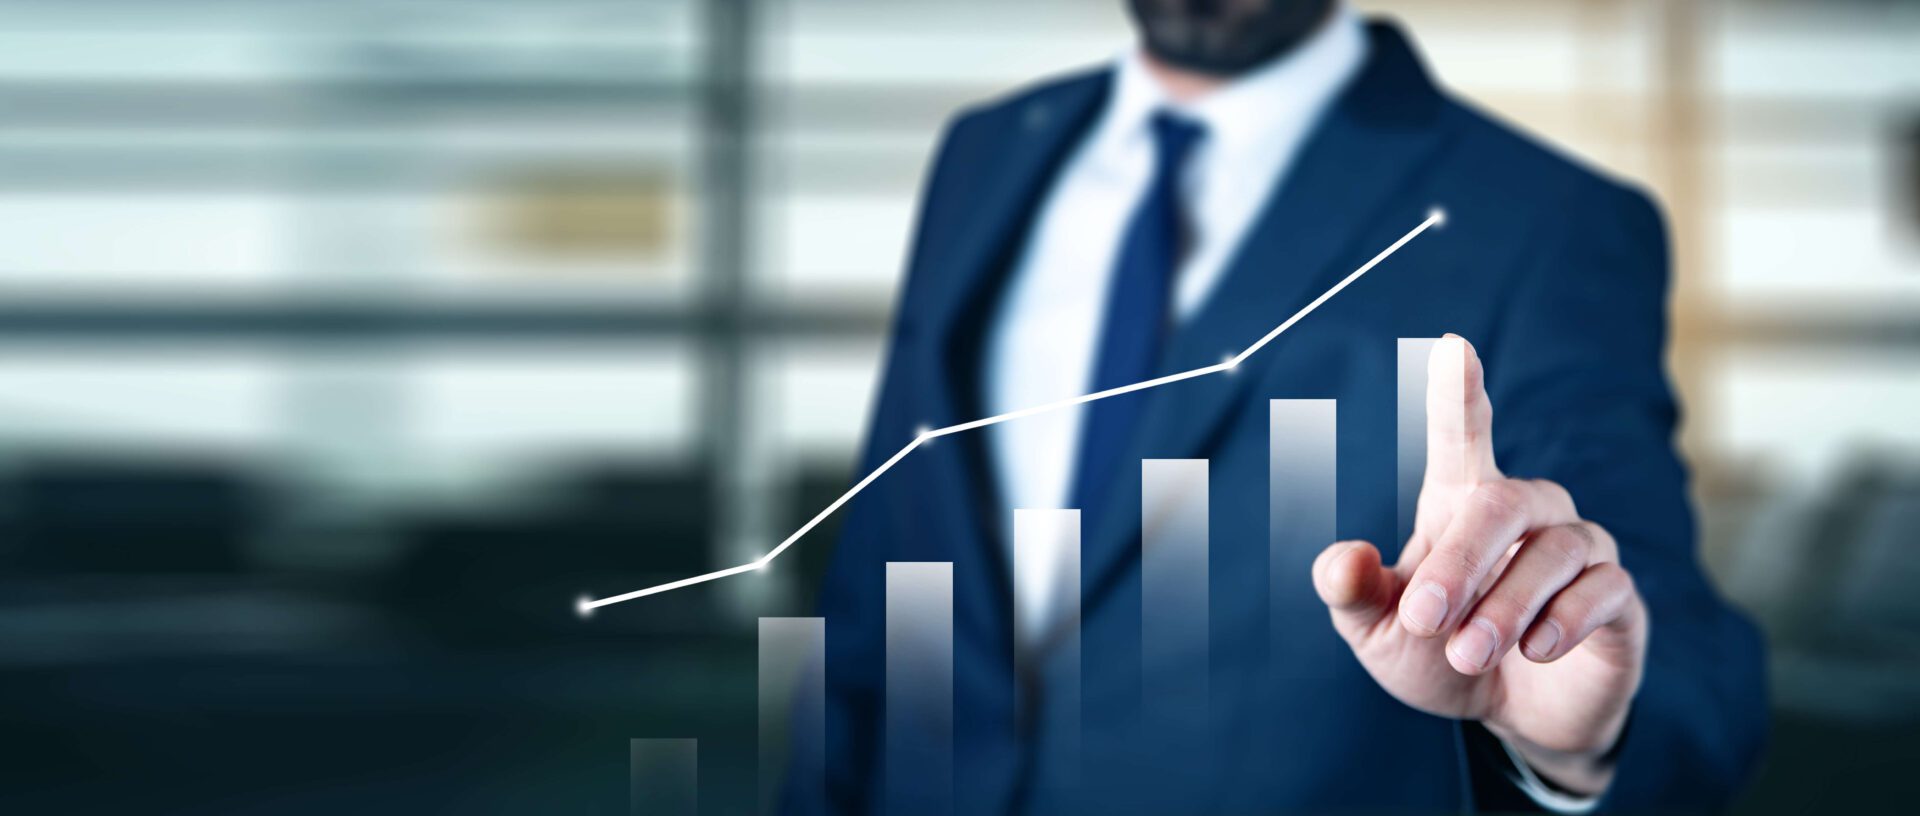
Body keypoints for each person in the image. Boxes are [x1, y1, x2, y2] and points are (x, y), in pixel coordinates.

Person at [789, 1, 1766, 812]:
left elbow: (1658, 622)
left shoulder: (1543, 222)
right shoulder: (987, 154)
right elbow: (891, 556)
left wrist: (1581, 745)